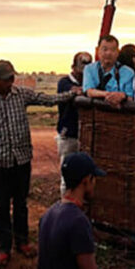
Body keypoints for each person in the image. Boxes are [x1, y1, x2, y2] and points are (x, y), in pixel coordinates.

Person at [0, 60, 80, 266]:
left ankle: (22, 242)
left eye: (12, 77)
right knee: (2, 206)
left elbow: (47, 99)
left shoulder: (21, 95)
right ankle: (4, 247)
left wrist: (72, 94)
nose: (11, 82)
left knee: (21, 204)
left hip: (22, 160)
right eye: (6, 79)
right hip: (0, 163)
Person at [37, 153, 106, 269]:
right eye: (94, 178)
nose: (95, 183)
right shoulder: (78, 222)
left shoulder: (48, 215)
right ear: (86, 180)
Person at [56, 52, 92, 195]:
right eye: (82, 63)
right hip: (69, 134)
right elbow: (74, 91)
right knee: (68, 173)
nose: (84, 68)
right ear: (73, 66)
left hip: (84, 134)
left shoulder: (89, 82)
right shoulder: (64, 82)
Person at [83, 35, 135, 107]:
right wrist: (110, 95)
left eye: (113, 50)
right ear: (97, 50)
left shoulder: (128, 72)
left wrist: (122, 96)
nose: (108, 53)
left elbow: (130, 97)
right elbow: (89, 91)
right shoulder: (89, 69)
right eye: (105, 49)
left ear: (118, 52)